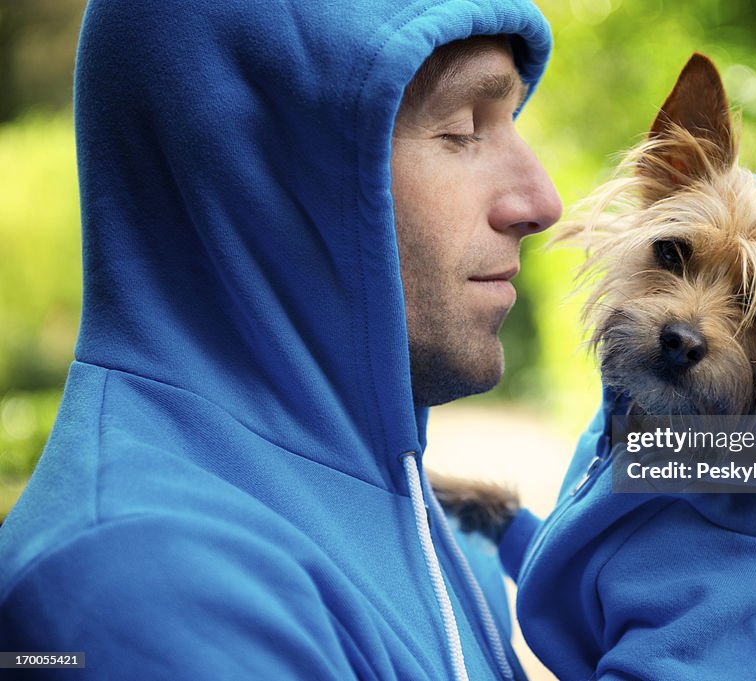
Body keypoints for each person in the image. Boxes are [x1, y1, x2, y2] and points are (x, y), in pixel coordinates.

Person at [0, 0, 559, 679]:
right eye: (462, 129)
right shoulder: (147, 581)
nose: (541, 201)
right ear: (259, 168)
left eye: (510, 119)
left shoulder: (427, 520)